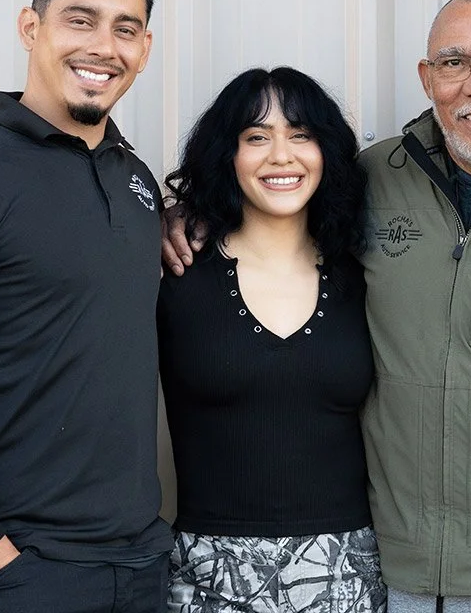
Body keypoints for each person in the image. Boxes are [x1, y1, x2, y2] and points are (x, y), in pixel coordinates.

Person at [165, 0, 471, 613]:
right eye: (454, 63)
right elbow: (277, 194)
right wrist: (182, 217)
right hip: (401, 580)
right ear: (427, 79)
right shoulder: (375, 181)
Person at [0, 0, 172, 612]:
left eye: (126, 29)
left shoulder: (134, 179)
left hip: (140, 566)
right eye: (80, 20)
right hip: (20, 576)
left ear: (144, 49)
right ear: (31, 28)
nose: (103, 46)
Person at [159, 67, 386, 612]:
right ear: (226, 156)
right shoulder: (173, 271)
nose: (281, 156)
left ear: (326, 152)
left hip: (346, 576)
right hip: (209, 579)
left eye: (301, 135)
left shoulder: (368, 276)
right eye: (256, 137)